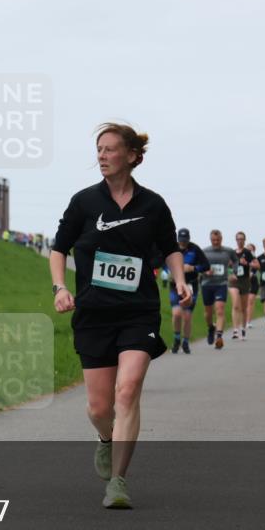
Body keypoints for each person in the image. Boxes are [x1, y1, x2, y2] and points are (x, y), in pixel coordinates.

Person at [50, 122, 189, 509]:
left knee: (127, 391)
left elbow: (169, 248)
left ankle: (118, 482)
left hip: (138, 312)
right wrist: (61, 287)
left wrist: (179, 279)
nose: (102, 156)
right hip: (94, 313)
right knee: (99, 408)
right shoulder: (84, 202)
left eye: (110, 149)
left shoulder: (153, 205)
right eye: (99, 150)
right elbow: (59, 249)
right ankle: (106, 439)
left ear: (131, 156)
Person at [169, 228, 210, 354]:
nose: (183, 243)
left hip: (191, 286)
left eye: (185, 240)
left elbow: (206, 266)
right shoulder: (172, 247)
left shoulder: (195, 249)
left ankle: (186, 342)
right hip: (175, 285)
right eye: (181, 240)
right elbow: (163, 263)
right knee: (176, 313)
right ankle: (176, 339)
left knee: (187, 315)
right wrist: (168, 271)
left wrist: (193, 268)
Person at [202, 230, 239, 350]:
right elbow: (198, 265)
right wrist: (205, 271)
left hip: (221, 284)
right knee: (208, 313)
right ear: (210, 239)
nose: (216, 242)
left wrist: (234, 272)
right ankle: (210, 328)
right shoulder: (205, 251)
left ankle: (219, 337)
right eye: (213, 240)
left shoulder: (228, 251)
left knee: (220, 310)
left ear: (221, 239)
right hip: (207, 284)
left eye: (218, 240)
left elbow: (236, 260)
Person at [228, 231, 258, 340]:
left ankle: (243, 329)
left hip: (244, 281)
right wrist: (230, 273)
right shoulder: (231, 252)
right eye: (238, 239)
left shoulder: (248, 252)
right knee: (236, 304)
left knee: (244, 307)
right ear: (236, 240)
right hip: (233, 281)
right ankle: (235, 330)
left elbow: (257, 265)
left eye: (242, 239)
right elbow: (226, 265)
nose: (240, 241)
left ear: (244, 240)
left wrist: (248, 263)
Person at [245, 243, 259, 331]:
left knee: (250, 302)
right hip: (243, 282)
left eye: (251, 250)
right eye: (248, 249)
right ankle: (242, 320)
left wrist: (251, 273)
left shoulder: (255, 260)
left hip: (253, 282)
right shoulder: (241, 258)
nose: (249, 251)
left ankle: (248, 322)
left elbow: (256, 268)